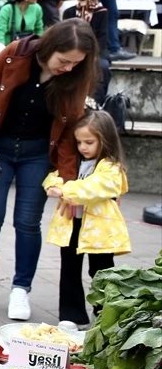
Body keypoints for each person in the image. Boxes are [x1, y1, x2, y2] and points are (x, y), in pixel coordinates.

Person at [0, 20, 99, 319]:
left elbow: (68, 132)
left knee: (27, 221)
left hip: (38, 154)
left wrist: (67, 182)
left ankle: (21, 289)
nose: (68, 68)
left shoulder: (75, 79)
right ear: (51, 47)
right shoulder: (15, 53)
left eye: (76, 63)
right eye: (64, 61)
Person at [42, 110, 130, 328]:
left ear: (105, 139)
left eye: (89, 142)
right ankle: (71, 315)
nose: (83, 147)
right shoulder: (75, 160)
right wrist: (52, 185)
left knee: (102, 272)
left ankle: (104, 314)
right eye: (79, 142)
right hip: (73, 225)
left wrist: (64, 191)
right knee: (69, 268)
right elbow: (56, 175)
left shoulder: (111, 167)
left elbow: (94, 187)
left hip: (100, 229)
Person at [63, 0, 112, 103]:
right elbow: (65, 34)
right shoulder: (69, 12)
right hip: (74, 48)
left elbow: (103, 36)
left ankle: (97, 102)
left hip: (96, 50)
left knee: (103, 67)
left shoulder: (102, 12)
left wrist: (93, 54)